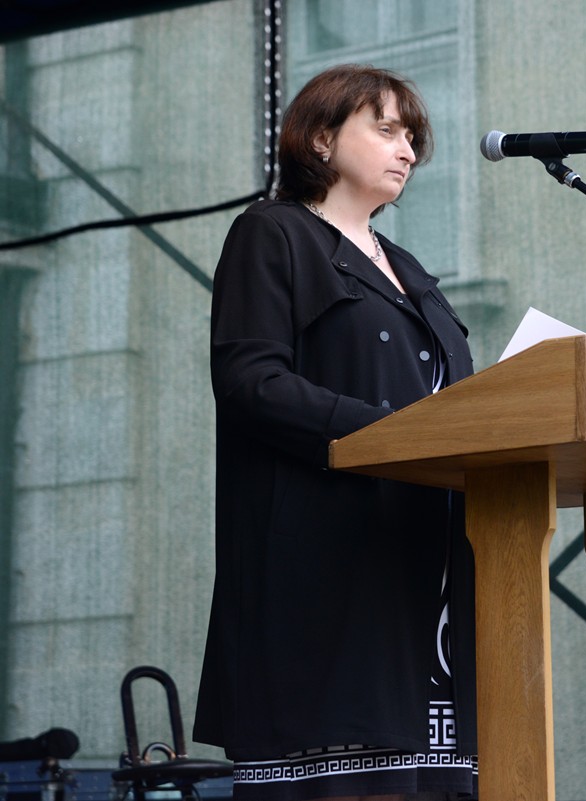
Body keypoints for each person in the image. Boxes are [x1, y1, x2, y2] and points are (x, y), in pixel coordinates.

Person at [193, 64, 478, 801]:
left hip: (427, 568)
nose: (407, 149)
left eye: (411, 136)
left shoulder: (410, 269)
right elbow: (251, 381)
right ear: (321, 139)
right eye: (385, 130)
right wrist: (393, 434)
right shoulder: (273, 233)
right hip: (328, 569)